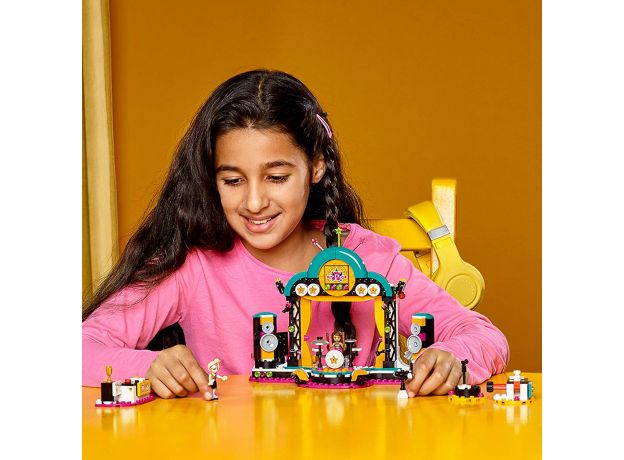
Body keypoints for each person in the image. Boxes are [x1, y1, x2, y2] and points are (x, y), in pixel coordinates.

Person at [82, 69, 509, 399]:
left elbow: (486, 337)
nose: (254, 202)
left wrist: (451, 358)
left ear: (316, 166)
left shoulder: (369, 257)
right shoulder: (194, 266)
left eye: (276, 177)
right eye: (233, 181)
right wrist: (147, 367)